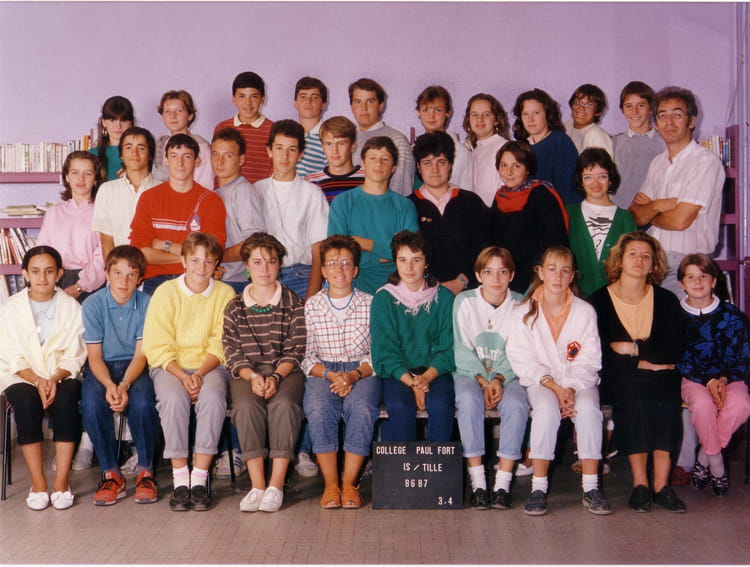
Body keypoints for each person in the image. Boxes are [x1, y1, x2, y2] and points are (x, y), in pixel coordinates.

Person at [506, 246, 610, 516]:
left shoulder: (585, 311)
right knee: (545, 409)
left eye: (565, 271)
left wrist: (571, 387)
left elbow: (590, 358)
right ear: (540, 272)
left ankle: (591, 487)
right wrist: (553, 386)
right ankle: (538, 488)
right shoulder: (522, 311)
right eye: (552, 269)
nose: (558, 276)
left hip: (578, 382)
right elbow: (521, 358)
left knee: (588, 410)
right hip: (541, 382)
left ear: (572, 275)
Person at [588, 232, 686, 513]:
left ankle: (661, 486)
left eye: (646, 256)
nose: (639, 260)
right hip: (617, 379)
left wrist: (630, 349)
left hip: (661, 377)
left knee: (666, 394)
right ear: (620, 259)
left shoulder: (666, 300)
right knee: (634, 393)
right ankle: (640, 484)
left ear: (654, 264)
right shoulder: (599, 301)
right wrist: (643, 361)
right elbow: (600, 355)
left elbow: (673, 349)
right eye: (632, 254)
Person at [141, 232, 235, 512]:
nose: (201, 267)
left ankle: (200, 478)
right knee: (173, 399)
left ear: (216, 264)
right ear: (183, 261)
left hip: (210, 365)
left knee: (213, 399)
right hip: (171, 366)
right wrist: (183, 375)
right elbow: (156, 342)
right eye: (194, 260)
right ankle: (181, 478)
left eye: (208, 261)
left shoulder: (225, 293)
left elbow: (221, 341)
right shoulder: (165, 292)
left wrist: (200, 374)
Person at [222, 232, 306, 513]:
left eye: (271, 261)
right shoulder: (235, 306)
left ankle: (276, 485)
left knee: (284, 405)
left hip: (285, 371)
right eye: (257, 262)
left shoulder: (293, 301)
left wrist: (276, 377)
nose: (265, 268)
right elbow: (232, 350)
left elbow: (296, 348)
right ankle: (257, 485)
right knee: (246, 407)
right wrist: (254, 377)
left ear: (279, 264)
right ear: (246, 266)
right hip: (248, 373)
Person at [0, 246, 86, 510]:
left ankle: (61, 482)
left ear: (59, 274)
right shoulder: (10, 308)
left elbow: (76, 352)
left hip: (62, 373)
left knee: (66, 401)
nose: (42, 277)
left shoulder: (72, 307)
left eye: (49, 271)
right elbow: (9, 353)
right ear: (25, 273)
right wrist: (37, 380)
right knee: (26, 404)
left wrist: (55, 377)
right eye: (35, 271)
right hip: (22, 375)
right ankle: (38, 484)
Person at [302, 235, 380, 509]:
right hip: (323, 371)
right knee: (319, 409)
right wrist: (330, 375)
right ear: (323, 270)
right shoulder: (312, 306)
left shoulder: (371, 303)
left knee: (362, 408)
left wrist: (353, 375)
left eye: (346, 263)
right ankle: (331, 485)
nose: (339, 270)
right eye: (332, 264)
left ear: (355, 270)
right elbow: (306, 355)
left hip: (361, 371)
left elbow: (378, 352)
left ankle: (349, 484)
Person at [80, 246, 158, 506]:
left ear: (140, 278)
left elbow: (141, 355)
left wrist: (123, 385)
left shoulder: (147, 303)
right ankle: (111, 474)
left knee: (144, 402)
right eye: (117, 273)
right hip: (102, 366)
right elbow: (94, 357)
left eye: (131, 275)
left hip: (134, 366)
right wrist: (109, 385)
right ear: (107, 274)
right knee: (91, 404)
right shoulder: (93, 304)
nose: (124, 281)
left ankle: (146, 471)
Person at [629, 86, 725, 295]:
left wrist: (651, 211)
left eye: (677, 115)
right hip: (654, 262)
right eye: (662, 116)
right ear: (656, 123)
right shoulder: (657, 163)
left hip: (690, 266)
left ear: (691, 121)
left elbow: (680, 221)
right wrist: (659, 205)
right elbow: (635, 215)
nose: (669, 122)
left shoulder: (706, 162)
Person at [452, 247, 528, 509]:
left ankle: (502, 484)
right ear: (478, 275)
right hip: (469, 373)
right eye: (488, 272)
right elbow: (460, 348)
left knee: (517, 404)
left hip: (508, 374)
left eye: (502, 271)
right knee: (468, 400)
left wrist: (498, 378)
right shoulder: (464, 301)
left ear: (512, 275)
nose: (495, 279)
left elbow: (519, 349)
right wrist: (484, 380)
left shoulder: (521, 303)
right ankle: (479, 483)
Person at [676, 254, 750, 496]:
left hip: (729, 377)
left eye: (703, 276)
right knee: (703, 405)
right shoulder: (675, 317)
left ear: (714, 281)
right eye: (690, 277)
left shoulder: (732, 315)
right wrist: (707, 381)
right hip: (693, 378)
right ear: (682, 283)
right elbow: (678, 357)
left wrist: (723, 379)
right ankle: (716, 463)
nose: (697, 282)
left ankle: (705, 456)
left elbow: (743, 354)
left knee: (741, 404)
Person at [371, 230, 456, 442]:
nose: (408, 268)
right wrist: (413, 384)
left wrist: (425, 378)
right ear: (395, 262)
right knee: (400, 406)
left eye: (416, 260)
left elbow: (447, 348)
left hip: (435, 372)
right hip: (398, 374)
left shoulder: (443, 297)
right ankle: (405, 463)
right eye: (402, 260)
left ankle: (436, 462)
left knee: (440, 404)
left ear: (426, 263)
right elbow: (385, 352)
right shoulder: (384, 298)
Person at [129, 133, 226, 295]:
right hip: (155, 281)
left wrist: (164, 245)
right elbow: (141, 254)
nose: (180, 163)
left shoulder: (211, 200)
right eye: (174, 156)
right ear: (166, 160)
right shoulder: (149, 197)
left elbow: (211, 252)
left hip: (195, 280)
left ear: (197, 161)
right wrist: (193, 258)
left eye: (187, 156)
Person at [327, 137, 418, 294]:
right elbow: (337, 252)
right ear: (362, 163)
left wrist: (364, 243)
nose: (378, 164)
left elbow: (412, 252)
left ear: (394, 167)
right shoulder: (342, 202)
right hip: (352, 286)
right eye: (372, 158)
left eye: (385, 159)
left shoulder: (404, 206)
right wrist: (381, 256)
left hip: (397, 287)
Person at [254, 119, 329, 299]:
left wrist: (311, 299)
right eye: (279, 148)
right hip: (263, 275)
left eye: (292, 149)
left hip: (301, 276)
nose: (285, 156)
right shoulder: (256, 190)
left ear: (301, 154)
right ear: (269, 150)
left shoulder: (312, 193)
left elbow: (319, 250)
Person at [409, 131, 488, 294]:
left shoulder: (471, 202)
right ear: (418, 167)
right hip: (422, 292)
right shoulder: (408, 205)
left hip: (468, 291)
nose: (435, 169)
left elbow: (484, 249)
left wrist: (463, 280)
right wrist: (429, 283)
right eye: (427, 163)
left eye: (441, 162)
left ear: (450, 164)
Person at [489, 141, 568, 294]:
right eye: (504, 165)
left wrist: (540, 282)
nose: (509, 172)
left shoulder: (542, 195)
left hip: (536, 281)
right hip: (504, 279)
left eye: (516, 166)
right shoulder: (500, 197)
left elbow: (555, 244)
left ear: (528, 169)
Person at [567, 148, 637, 297]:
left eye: (602, 176)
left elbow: (632, 262)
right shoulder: (568, 214)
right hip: (576, 298)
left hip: (618, 298)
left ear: (610, 179)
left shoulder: (625, 218)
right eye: (588, 177)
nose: (596, 183)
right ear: (581, 181)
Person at [37, 150, 106, 303]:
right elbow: (42, 252)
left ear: (96, 179)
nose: (81, 178)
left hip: (91, 284)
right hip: (55, 280)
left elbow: (102, 259)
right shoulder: (54, 212)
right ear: (67, 177)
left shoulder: (103, 213)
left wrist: (80, 287)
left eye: (88, 173)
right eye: (75, 172)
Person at [92, 126, 159, 261]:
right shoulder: (107, 190)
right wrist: (114, 270)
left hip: (157, 266)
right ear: (121, 154)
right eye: (128, 147)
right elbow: (106, 241)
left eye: (141, 148)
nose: (134, 153)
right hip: (120, 267)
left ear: (150, 155)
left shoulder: (162, 189)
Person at [211, 127, 265, 294]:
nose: (220, 162)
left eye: (228, 156)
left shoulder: (243, 190)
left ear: (241, 160)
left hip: (238, 283)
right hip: (218, 280)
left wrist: (214, 259)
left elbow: (253, 243)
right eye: (215, 154)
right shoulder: (213, 194)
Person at [348, 77, 414, 196]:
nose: (363, 108)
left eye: (370, 101)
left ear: (380, 106)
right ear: (351, 107)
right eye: (358, 102)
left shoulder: (397, 140)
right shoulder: (346, 141)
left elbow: (402, 191)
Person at [512, 89, 579, 204]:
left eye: (536, 113)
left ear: (547, 114)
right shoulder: (521, 146)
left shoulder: (560, 142)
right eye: (525, 114)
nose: (530, 119)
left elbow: (567, 190)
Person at [611, 81, 664, 209]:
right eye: (628, 106)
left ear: (651, 108)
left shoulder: (664, 143)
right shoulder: (614, 143)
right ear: (622, 110)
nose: (634, 111)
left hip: (653, 212)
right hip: (620, 212)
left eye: (641, 105)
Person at [213, 71, 273, 183]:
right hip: (226, 192)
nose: (248, 103)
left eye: (253, 96)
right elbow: (217, 167)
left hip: (260, 193)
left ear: (262, 99)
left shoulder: (273, 130)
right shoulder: (222, 128)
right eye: (242, 96)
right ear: (233, 99)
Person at [414, 85, 473, 191]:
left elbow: (465, 190)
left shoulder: (460, 151)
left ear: (448, 113)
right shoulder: (414, 149)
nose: (431, 116)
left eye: (438, 110)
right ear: (418, 112)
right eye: (426, 110)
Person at [152, 90, 214, 189]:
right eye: (167, 111)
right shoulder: (161, 145)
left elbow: (206, 184)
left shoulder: (200, 146)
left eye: (179, 111)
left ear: (190, 116)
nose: (172, 116)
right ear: (163, 116)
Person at [462, 93, 510, 206]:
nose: (480, 119)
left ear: (496, 120)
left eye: (486, 114)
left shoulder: (504, 148)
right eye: (474, 115)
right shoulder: (472, 151)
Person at [305, 116, 366, 203]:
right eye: (329, 144)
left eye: (341, 143)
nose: (334, 150)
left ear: (352, 146)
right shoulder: (311, 182)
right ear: (323, 147)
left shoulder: (367, 178)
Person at [89, 95, 135, 181]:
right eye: (112, 120)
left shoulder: (141, 153)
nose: (118, 126)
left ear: (131, 123)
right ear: (104, 122)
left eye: (124, 120)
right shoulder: (92, 155)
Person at [564, 84, 614, 157]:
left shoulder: (596, 135)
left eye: (589, 105)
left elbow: (602, 164)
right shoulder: (568, 126)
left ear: (598, 112)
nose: (581, 108)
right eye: (578, 102)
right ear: (572, 105)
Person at [294, 76, 329, 177]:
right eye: (303, 96)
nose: (308, 101)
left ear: (323, 105)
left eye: (315, 97)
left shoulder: (330, 137)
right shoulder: (287, 135)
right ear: (295, 103)